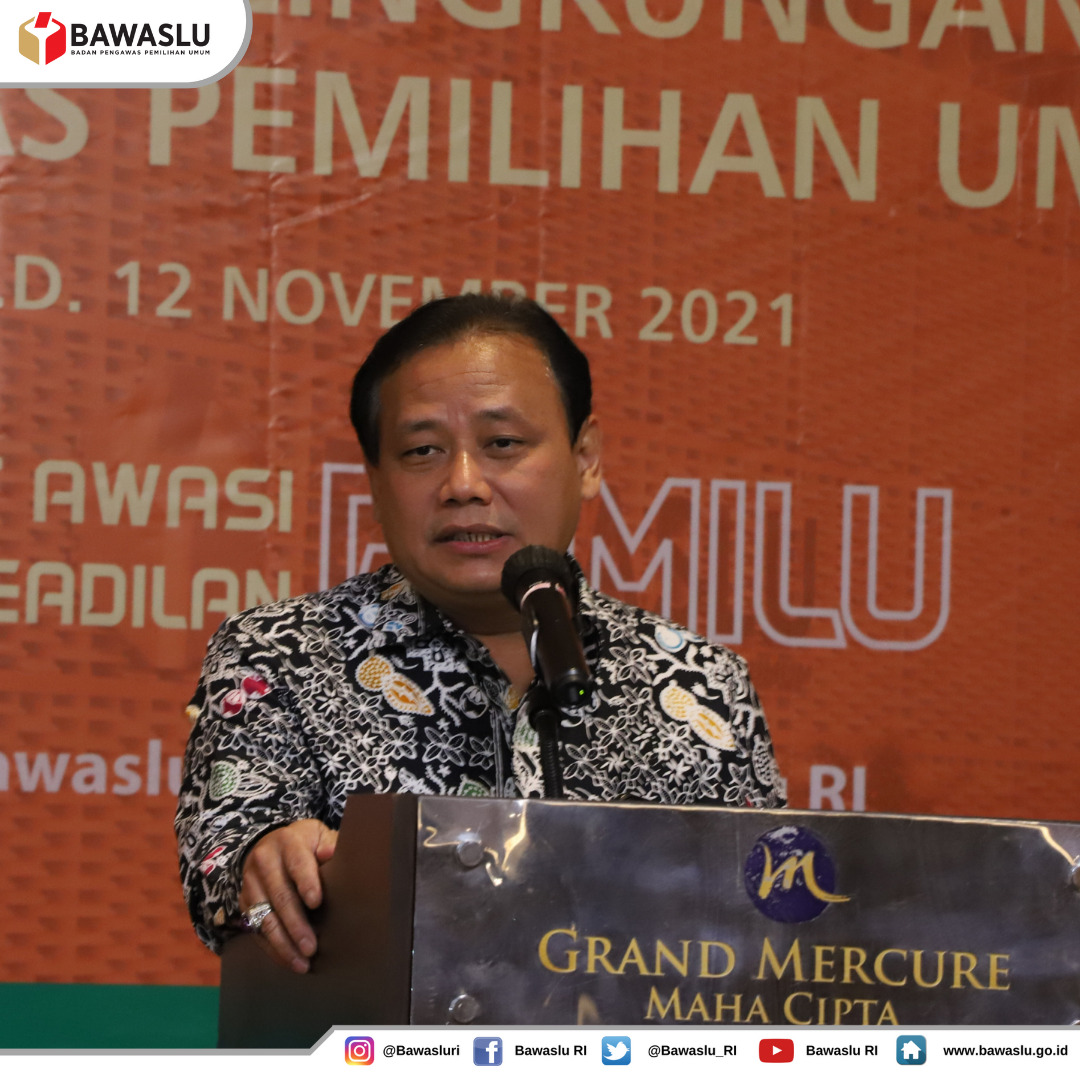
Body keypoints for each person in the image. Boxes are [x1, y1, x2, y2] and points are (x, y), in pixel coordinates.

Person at [175, 294, 785, 974]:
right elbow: (222, 862)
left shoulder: (701, 683)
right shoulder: (280, 655)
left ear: (586, 457)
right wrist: (266, 862)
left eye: (503, 444)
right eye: (422, 451)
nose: (463, 484)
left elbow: (766, 927)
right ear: (375, 481)